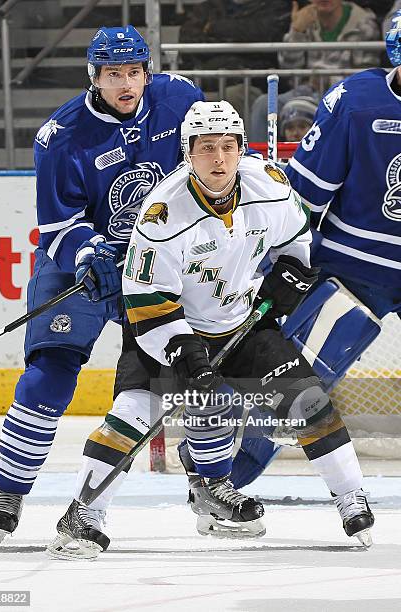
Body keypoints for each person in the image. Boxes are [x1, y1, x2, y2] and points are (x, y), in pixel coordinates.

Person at [47, 101, 374, 560]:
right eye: (206, 149)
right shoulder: (162, 214)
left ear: (242, 149)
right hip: (164, 326)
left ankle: (350, 498)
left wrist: (289, 277)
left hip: (242, 320)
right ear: (188, 153)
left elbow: (297, 242)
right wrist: (183, 350)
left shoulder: (270, 187)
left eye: (227, 147)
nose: (218, 159)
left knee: (310, 403)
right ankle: (84, 513)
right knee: (133, 415)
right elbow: (143, 298)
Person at [0, 24, 204, 544]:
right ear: (95, 77)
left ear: (147, 72)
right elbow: (57, 223)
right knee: (50, 374)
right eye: (113, 74)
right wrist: (89, 251)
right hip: (80, 266)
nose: (126, 83)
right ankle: (11, 488)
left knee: (191, 368)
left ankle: (209, 482)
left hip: (155, 265)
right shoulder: (60, 136)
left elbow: (212, 157)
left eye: (134, 72)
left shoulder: (180, 98)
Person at [216, 7, 401, 534]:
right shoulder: (357, 102)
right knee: (295, 385)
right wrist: (281, 255)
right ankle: (223, 480)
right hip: (352, 268)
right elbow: (304, 196)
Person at [250, 0, 380, 140]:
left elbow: (365, 75)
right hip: (306, 91)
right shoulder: (305, 18)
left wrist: (327, 81)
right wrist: (297, 31)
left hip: (343, 94)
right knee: (263, 104)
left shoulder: (363, 22)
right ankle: (259, 161)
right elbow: (289, 68)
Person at [178, 0, 291, 117]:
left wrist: (215, 28)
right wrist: (239, 41)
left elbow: (265, 34)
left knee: (233, 96)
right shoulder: (206, 8)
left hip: (253, 82)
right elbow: (188, 40)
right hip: (209, 81)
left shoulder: (275, 6)